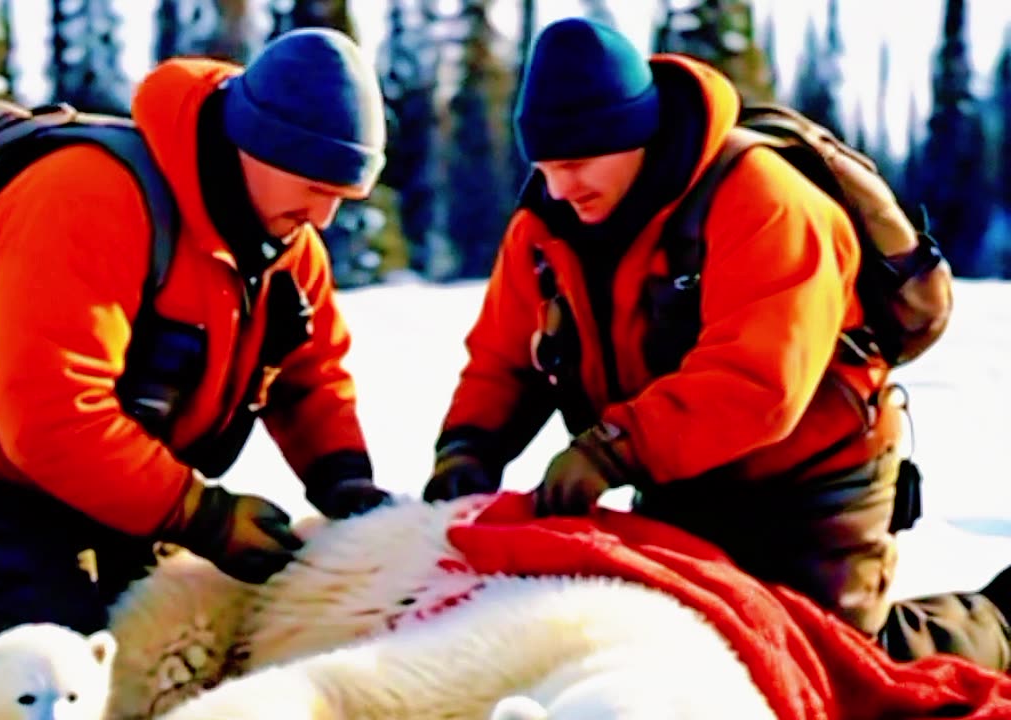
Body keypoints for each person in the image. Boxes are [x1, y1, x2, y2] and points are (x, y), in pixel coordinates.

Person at [0, 27, 393, 720]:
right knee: (52, 668)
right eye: (316, 187)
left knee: (147, 653)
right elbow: (52, 418)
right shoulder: (87, 199)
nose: (326, 217)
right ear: (258, 143)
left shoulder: (284, 242)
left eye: (346, 195)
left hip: (127, 479)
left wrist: (343, 478)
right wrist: (202, 515)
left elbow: (309, 374)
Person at [422, 17, 1011, 672]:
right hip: (680, 479)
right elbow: (507, 359)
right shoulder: (546, 228)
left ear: (631, 134)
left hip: (813, 482)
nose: (560, 187)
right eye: (545, 166)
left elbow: (759, 382)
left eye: (576, 163)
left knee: (841, 672)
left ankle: (1001, 623)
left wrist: (610, 451)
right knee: (692, 655)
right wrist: (468, 451)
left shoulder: (764, 199)